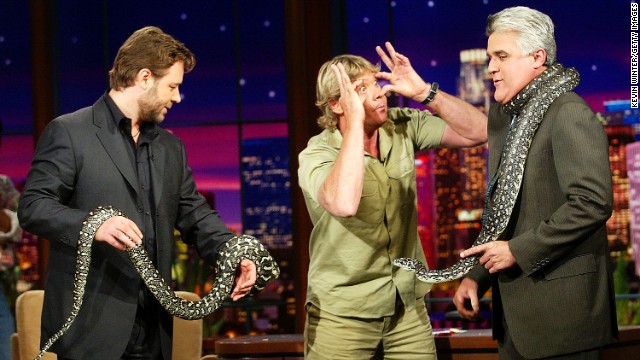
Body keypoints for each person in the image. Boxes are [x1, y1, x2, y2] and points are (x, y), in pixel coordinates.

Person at [18, 26, 259, 360]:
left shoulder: (171, 147)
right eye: (172, 86)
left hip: (154, 327)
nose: (177, 97)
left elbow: (195, 214)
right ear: (144, 77)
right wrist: (95, 225)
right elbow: (33, 206)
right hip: (91, 330)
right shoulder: (70, 132)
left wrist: (233, 252)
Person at [297, 45, 487, 359]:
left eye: (376, 84)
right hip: (343, 314)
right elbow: (343, 204)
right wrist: (356, 124)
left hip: (407, 307)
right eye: (361, 89)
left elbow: (480, 132)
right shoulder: (317, 155)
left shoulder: (402, 126)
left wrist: (426, 92)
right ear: (336, 105)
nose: (378, 94)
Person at [452, 6, 618, 359]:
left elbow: (592, 203)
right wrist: (477, 278)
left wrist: (516, 251)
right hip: (514, 322)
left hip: (563, 324)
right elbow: (505, 213)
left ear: (537, 57)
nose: (491, 68)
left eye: (501, 56)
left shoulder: (568, 112)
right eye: (489, 57)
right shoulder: (508, 119)